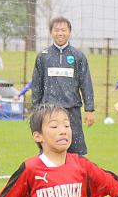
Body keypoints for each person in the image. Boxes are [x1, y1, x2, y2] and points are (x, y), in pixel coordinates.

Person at [30, 16, 95, 155]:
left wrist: (89, 109)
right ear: (51, 32)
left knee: (75, 151)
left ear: (69, 32)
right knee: (49, 148)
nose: (60, 33)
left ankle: (75, 169)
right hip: (49, 110)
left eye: (63, 30)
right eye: (57, 30)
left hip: (72, 110)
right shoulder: (43, 56)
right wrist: (35, 109)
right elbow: (36, 86)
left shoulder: (78, 56)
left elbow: (86, 83)